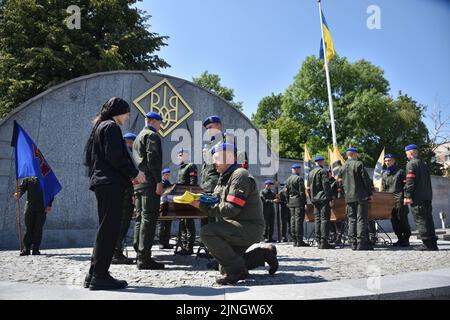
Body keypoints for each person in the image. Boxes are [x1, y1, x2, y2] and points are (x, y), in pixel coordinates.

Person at [189, 143, 278, 285]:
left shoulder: (240, 175)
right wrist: (198, 199)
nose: (214, 163)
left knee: (207, 232)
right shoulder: (224, 177)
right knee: (224, 267)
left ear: (229, 157)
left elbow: (232, 208)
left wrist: (201, 206)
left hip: (248, 227)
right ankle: (264, 254)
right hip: (236, 226)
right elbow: (214, 198)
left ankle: (237, 271)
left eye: (216, 159)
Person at [83, 97, 146, 290]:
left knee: (105, 229)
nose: (128, 117)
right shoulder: (111, 127)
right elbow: (115, 156)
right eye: (127, 112)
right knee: (109, 230)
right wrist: (135, 173)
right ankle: (100, 276)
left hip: (103, 183)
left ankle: (94, 273)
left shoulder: (100, 127)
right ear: (119, 111)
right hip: (111, 184)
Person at [132, 111, 166, 269]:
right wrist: (159, 181)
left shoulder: (138, 137)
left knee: (140, 218)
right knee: (149, 218)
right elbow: (153, 160)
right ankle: (144, 258)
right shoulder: (152, 136)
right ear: (154, 121)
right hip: (150, 183)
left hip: (139, 184)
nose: (160, 126)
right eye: (160, 123)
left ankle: (139, 251)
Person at [404, 144, 438, 251]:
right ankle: (433, 243)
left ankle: (427, 244)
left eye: (407, 153)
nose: (406, 155)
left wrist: (408, 196)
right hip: (427, 197)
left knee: (420, 219)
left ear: (411, 152)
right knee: (428, 219)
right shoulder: (423, 164)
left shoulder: (411, 164)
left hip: (417, 197)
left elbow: (410, 182)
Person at [338, 147, 373, 251]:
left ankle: (352, 242)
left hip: (348, 197)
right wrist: (370, 193)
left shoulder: (342, 167)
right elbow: (366, 180)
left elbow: (339, 182)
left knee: (352, 219)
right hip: (360, 196)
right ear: (354, 154)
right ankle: (361, 243)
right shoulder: (359, 164)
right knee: (361, 218)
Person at [111, 133, 137, 265]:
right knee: (122, 224)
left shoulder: (122, 154)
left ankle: (115, 252)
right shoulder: (127, 157)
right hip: (125, 194)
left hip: (121, 193)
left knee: (119, 223)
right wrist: (132, 193)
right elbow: (129, 177)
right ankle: (116, 253)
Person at [14, 177, 53, 256]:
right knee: (28, 227)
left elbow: (50, 191)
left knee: (38, 228)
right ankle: (26, 249)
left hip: (42, 208)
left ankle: (36, 249)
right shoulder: (29, 178)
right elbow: (22, 187)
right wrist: (19, 193)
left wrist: (49, 204)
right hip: (30, 207)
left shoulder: (46, 177)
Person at [382, 153, 411, 247]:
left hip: (400, 199)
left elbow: (406, 186)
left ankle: (406, 239)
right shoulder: (385, 174)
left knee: (402, 219)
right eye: (385, 160)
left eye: (389, 160)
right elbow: (385, 188)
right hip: (390, 201)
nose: (387, 162)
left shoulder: (400, 172)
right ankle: (400, 238)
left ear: (394, 160)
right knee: (394, 221)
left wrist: (406, 197)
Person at [308, 156, 334, 249]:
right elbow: (326, 185)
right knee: (324, 219)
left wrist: (312, 199)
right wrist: (330, 198)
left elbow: (308, 188)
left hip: (315, 199)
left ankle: (318, 239)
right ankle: (324, 241)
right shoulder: (323, 171)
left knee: (317, 219)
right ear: (322, 162)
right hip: (323, 199)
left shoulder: (310, 173)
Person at [177, 148, 198, 255]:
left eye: (182, 154)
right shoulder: (181, 168)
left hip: (188, 197)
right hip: (180, 198)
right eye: (179, 155)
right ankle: (184, 246)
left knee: (188, 222)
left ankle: (189, 247)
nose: (180, 156)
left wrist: (190, 197)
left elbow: (193, 183)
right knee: (182, 222)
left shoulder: (191, 166)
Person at [284, 164, 309, 247]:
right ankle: (299, 240)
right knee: (298, 221)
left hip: (291, 202)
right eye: (299, 169)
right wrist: (304, 202)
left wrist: (288, 202)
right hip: (298, 201)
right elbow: (302, 192)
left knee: (292, 220)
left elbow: (286, 192)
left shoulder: (288, 179)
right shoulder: (299, 178)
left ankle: (294, 240)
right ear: (297, 169)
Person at [158, 168, 174, 249]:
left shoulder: (169, 183)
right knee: (161, 225)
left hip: (169, 205)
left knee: (168, 225)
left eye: (168, 175)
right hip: (162, 205)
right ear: (163, 175)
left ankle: (166, 242)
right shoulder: (161, 183)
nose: (167, 176)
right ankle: (161, 242)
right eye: (166, 175)